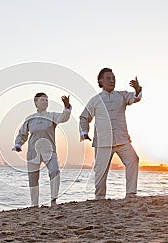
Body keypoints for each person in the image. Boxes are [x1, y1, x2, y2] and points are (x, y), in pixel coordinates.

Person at [79, 68, 142, 199]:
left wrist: (137, 89)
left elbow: (135, 98)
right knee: (100, 171)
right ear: (100, 81)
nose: (112, 80)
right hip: (103, 142)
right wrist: (85, 132)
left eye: (113, 78)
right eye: (108, 78)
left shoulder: (122, 95)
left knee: (133, 160)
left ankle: (131, 194)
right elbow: (84, 117)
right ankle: (100, 197)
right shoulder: (95, 100)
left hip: (122, 139)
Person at [13, 93, 71, 207]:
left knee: (54, 171)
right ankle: (34, 204)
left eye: (47, 100)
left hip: (49, 151)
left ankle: (53, 200)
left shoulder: (52, 116)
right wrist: (18, 144)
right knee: (33, 178)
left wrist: (67, 107)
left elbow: (64, 117)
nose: (45, 102)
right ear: (36, 103)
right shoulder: (30, 118)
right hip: (33, 152)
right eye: (42, 100)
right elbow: (22, 133)